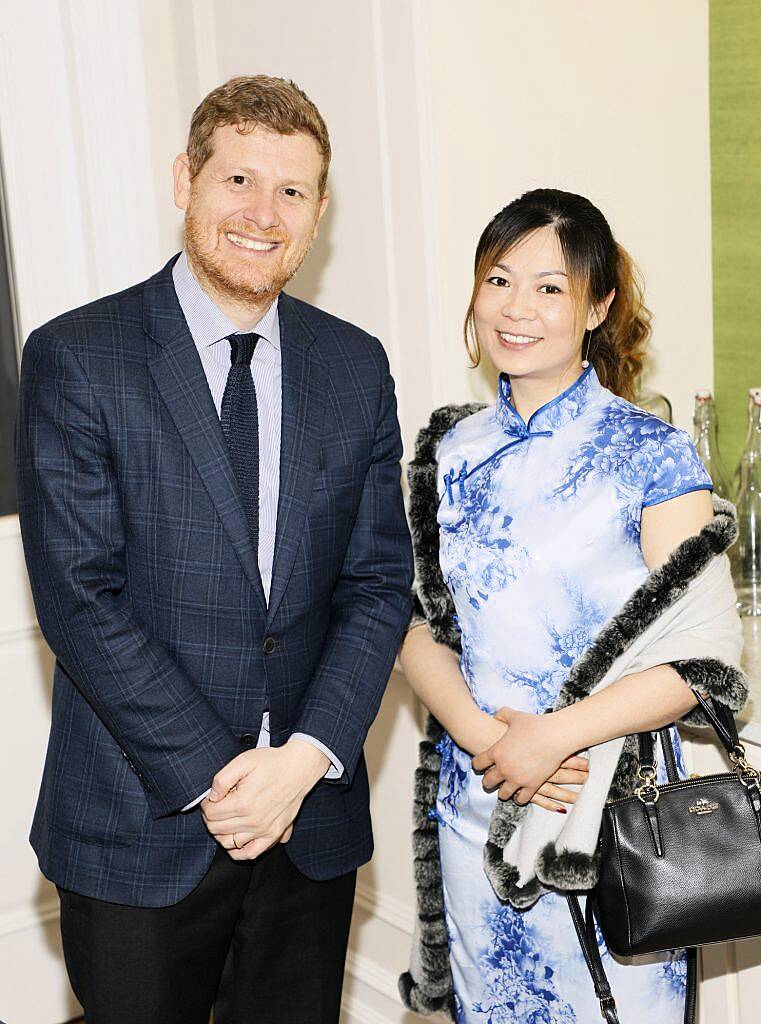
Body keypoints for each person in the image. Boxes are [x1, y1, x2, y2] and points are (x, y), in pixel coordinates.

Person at [15, 75, 413, 1024]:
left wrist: (304, 759)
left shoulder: (354, 365)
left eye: (291, 191)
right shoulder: (78, 356)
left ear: (318, 212)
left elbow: (376, 583)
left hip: (307, 829)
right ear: (185, 180)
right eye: (237, 179)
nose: (261, 213)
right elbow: (78, 595)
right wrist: (224, 779)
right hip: (138, 826)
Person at [398, 189, 743, 1023]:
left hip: (606, 817)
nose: (516, 309)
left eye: (549, 288)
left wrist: (550, 740)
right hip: (474, 797)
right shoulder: (446, 450)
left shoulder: (649, 453)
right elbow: (408, 622)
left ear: (598, 305)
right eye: (498, 279)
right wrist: (490, 743)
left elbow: (703, 658)